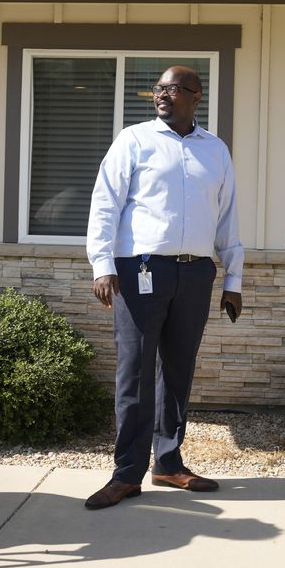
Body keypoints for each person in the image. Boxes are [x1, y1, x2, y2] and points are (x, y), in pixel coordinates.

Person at [84, 65, 244, 510]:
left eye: (173, 90)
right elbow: (105, 204)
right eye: (158, 89)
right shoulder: (133, 141)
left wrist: (234, 278)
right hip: (140, 271)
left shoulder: (215, 150)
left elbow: (227, 216)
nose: (162, 96)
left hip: (195, 273)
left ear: (196, 97)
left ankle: (168, 462)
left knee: (178, 370)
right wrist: (102, 264)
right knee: (134, 371)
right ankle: (126, 473)